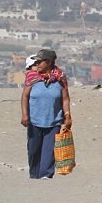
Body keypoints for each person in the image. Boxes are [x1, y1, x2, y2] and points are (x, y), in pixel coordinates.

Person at [20, 48, 72, 179]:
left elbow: (65, 99)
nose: (36, 65)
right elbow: (25, 97)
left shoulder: (60, 79)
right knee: (33, 150)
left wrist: (67, 115)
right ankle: (34, 175)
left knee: (49, 152)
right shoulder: (32, 78)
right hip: (34, 121)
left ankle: (46, 176)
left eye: (40, 62)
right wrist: (25, 115)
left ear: (49, 62)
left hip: (53, 121)